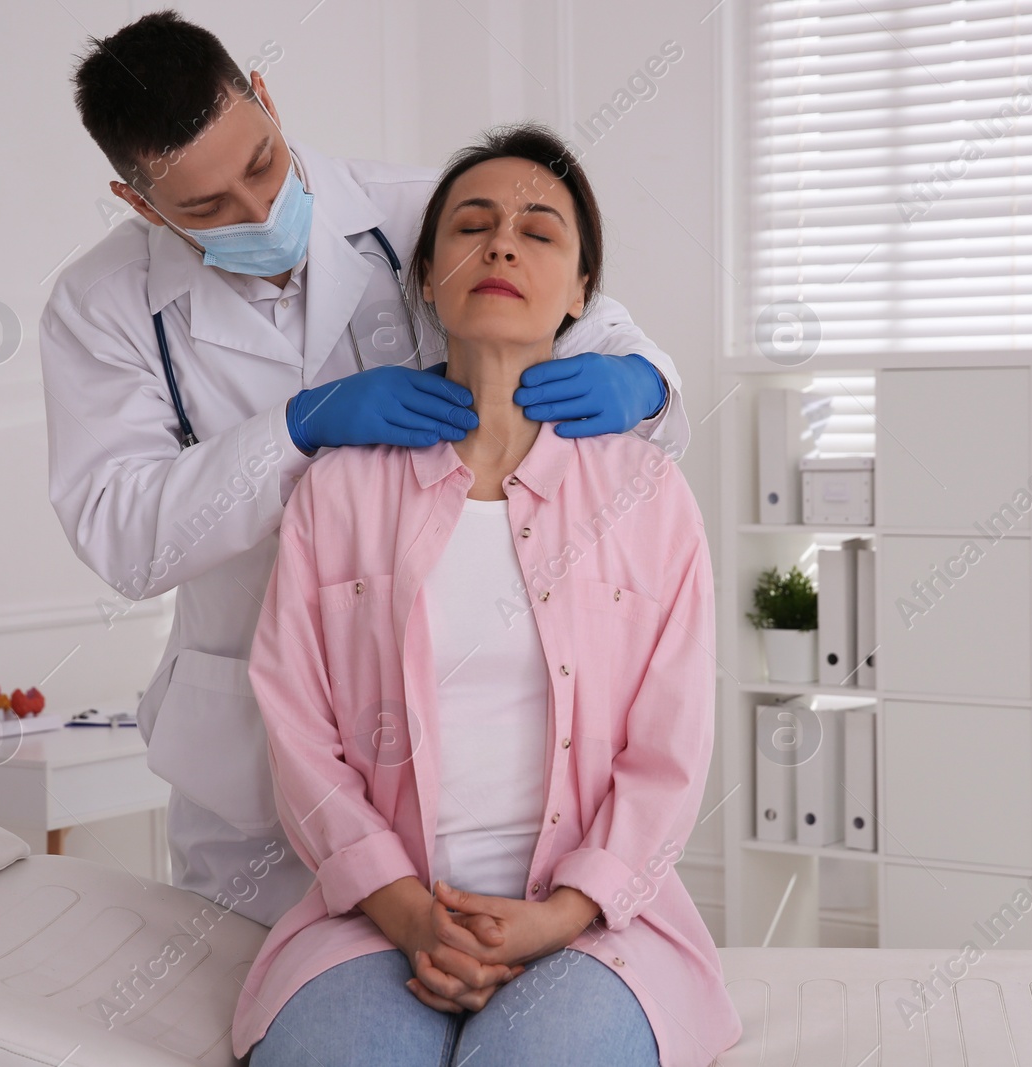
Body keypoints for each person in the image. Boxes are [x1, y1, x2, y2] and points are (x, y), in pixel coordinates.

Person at [39, 11, 691, 927]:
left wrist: (644, 381)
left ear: (266, 99)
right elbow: (124, 535)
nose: (257, 212)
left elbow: (591, 314)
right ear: (137, 202)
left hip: (445, 751)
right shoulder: (100, 306)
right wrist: (297, 431)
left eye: (260, 165)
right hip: (252, 772)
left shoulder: (426, 211)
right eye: (204, 208)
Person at [233, 123, 740, 1067]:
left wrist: (558, 916)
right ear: (427, 277)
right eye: (472, 224)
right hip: (379, 915)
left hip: (593, 924)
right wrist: (406, 909)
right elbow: (298, 728)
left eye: (540, 231)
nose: (502, 242)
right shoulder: (342, 489)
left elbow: (671, 747)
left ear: (584, 291)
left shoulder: (645, 490)